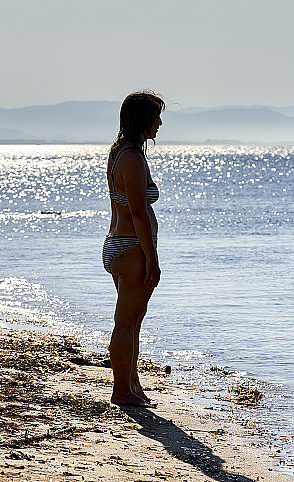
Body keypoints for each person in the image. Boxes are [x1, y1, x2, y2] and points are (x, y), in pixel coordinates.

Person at [102, 90, 164, 408]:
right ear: (143, 120)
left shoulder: (118, 152)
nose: (160, 123)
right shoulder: (131, 158)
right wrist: (152, 258)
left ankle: (131, 384)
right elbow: (138, 213)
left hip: (118, 245)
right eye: (156, 117)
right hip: (131, 249)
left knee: (133, 319)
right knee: (126, 322)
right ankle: (121, 391)